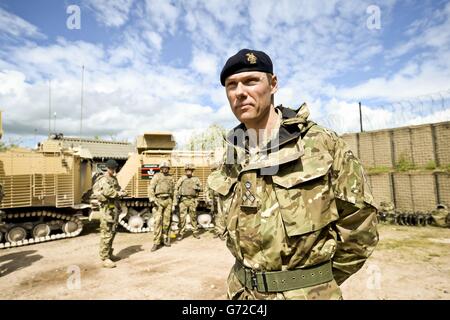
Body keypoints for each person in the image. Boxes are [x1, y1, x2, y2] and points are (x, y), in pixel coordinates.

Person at [207, 48, 379, 300]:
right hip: (241, 294)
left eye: (251, 81)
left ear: (273, 84)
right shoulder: (232, 155)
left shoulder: (320, 143)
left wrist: (315, 283)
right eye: (231, 85)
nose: (240, 92)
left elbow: (360, 226)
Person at [92, 159, 127, 268]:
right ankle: (104, 258)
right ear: (107, 168)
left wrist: (122, 192)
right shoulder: (104, 179)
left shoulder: (113, 178)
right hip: (107, 209)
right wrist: (119, 193)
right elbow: (109, 192)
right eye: (112, 168)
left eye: (115, 168)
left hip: (113, 209)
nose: (113, 170)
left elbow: (118, 189)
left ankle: (109, 254)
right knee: (106, 233)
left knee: (112, 232)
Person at [148, 160, 175, 252]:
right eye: (163, 168)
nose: (165, 169)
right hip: (158, 200)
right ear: (160, 169)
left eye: (166, 168)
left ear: (168, 168)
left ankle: (165, 239)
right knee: (157, 221)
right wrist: (152, 199)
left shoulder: (171, 177)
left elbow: (174, 191)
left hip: (168, 200)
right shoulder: (156, 176)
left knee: (166, 221)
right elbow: (151, 187)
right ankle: (156, 242)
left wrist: (174, 203)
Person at [173, 163, 202, 240]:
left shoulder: (196, 179)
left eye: (190, 170)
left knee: (193, 217)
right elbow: (176, 188)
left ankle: (195, 232)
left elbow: (201, 188)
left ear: (192, 171)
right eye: (187, 170)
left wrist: (196, 187)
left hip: (192, 200)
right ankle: (181, 233)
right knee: (182, 218)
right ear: (185, 171)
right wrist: (175, 200)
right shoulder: (182, 178)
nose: (188, 172)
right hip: (183, 200)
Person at [206, 162, 225, 239]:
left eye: (215, 169)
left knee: (221, 215)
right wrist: (207, 198)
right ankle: (217, 231)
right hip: (213, 198)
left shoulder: (222, 177)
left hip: (221, 198)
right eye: (212, 170)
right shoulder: (210, 178)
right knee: (215, 215)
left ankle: (222, 232)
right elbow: (207, 188)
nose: (214, 171)